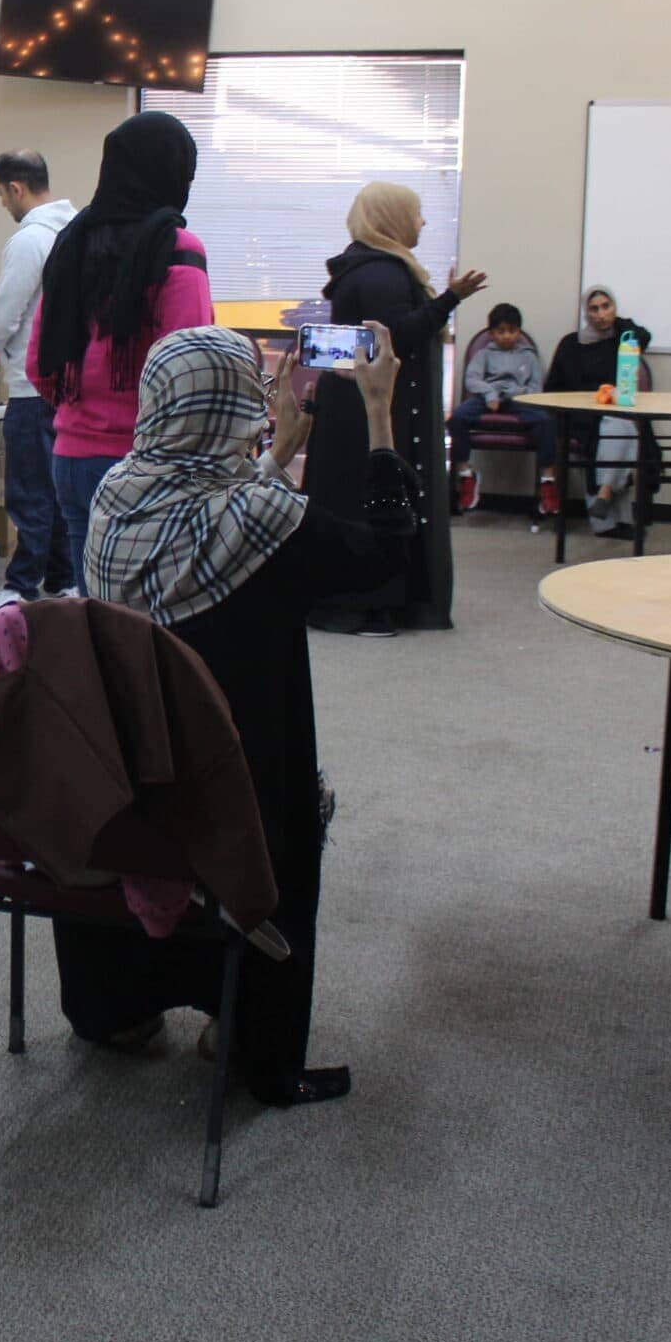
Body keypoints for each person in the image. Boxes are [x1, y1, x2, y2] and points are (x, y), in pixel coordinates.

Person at [64, 322, 419, 1105]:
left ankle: (118, 1008)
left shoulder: (114, 496)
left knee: (160, 789)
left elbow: (201, 512)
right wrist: (379, 413)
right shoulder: (265, 520)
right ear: (233, 405)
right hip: (235, 807)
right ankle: (248, 1032)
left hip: (122, 790)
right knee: (283, 808)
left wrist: (273, 458)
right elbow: (389, 556)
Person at [27, 112, 215, 573]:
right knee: (145, 611)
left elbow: (39, 365)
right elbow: (189, 371)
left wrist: (86, 412)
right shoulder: (176, 249)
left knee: (93, 608)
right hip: (146, 465)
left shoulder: (72, 243)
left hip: (71, 457)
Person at [306, 182, 484, 634]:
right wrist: (450, 299)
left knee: (357, 499)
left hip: (357, 407)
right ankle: (368, 605)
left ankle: (371, 603)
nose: (422, 222)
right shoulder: (381, 272)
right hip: (368, 412)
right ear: (391, 217)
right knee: (371, 504)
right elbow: (396, 338)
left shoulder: (367, 265)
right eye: (416, 212)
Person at [0, 150, 77, 621]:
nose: (1, 203)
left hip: (31, 387)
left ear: (16, 188)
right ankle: (63, 578)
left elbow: (8, 308)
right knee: (56, 488)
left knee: (29, 491)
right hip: (64, 383)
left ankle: (20, 587)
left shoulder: (29, 240)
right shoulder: (72, 230)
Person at [543, 285, 657, 539]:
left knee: (619, 427)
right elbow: (552, 387)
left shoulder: (622, 341)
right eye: (594, 309)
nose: (601, 314)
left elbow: (644, 337)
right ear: (586, 313)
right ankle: (614, 513)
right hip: (579, 415)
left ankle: (605, 506)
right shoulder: (571, 344)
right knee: (621, 430)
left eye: (607, 307)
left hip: (613, 411)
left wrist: (619, 323)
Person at [445, 301, 559, 516]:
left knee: (546, 421)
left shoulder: (528, 356)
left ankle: (547, 480)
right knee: (458, 417)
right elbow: (472, 380)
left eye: (512, 331)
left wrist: (515, 393)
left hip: (519, 400)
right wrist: (490, 393)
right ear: (491, 333)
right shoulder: (484, 354)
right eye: (501, 331)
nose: (507, 336)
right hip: (488, 399)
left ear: (519, 332)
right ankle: (466, 474)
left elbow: (536, 388)